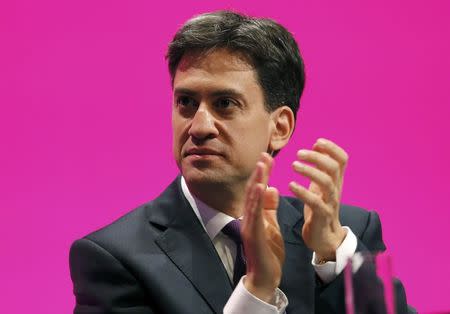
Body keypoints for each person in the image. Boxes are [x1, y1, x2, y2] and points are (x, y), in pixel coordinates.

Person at [69, 10, 412, 313]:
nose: (199, 127)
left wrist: (333, 253)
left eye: (225, 104)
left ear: (279, 127)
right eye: (186, 102)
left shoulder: (343, 235)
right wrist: (257, 291)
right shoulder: (113, 258)